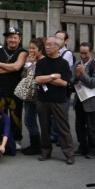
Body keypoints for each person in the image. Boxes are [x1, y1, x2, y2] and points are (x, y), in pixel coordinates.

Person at [35, 36, 75, 165]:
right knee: (44, 126)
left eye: (50, 45)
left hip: (59, 100)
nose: (47, 47)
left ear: (57, 47)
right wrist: (53, 76)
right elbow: (37, 80)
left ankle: (69, 153)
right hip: (43, 99)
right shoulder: (41, 62)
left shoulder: (63, 63)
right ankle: (45, 150)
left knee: (63, 127)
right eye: (46, 44)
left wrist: (47, 78)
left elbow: (64, 83)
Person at [0, 27, 28, 150]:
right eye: (10, 37)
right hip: (0, 89)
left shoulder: (22, 52)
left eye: (15, 38)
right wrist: (9, 67)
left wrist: (0, 64)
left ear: (19, 39)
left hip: (15, 91)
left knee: (15, 116)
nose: (12, 40)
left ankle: (16, 139)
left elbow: (17, 67)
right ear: (6, 39)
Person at [71, 42, 95, 159]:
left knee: (92, 126)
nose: (83, 56)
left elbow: (93, 83)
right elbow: (72, 81)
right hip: (80, 99)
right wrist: (77, 76)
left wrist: (83, 74)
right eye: (81, 53)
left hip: (92, 101)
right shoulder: (77, 64)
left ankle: (94, 148)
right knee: (79, 126)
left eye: (85, 54)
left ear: (91, 52)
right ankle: (82, 146)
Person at [19, 38, 46, 156]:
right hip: (29, 94)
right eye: (30, 48)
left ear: (40, 50)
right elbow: (23, 76)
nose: (31, 50)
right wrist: (28, 64)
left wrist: (31, 65)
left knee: (30, 120)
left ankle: (37, 146)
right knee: (29, 120)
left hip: (38, 96)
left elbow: (37, 77)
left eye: (34, 48)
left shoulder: (43, 61)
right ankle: (35, 144)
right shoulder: (31, 60)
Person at [50, 30, 74, 145]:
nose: (57, 41)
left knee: (63, 113)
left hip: (63, 88)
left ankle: (63, 137)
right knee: (52, 113)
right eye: (56, 38)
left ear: (66, 41)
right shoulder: (50, 52)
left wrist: (50, 75)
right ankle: (54, 135)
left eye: (60, 39)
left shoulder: (67, 54)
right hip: (53, 87)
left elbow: (62, 71)